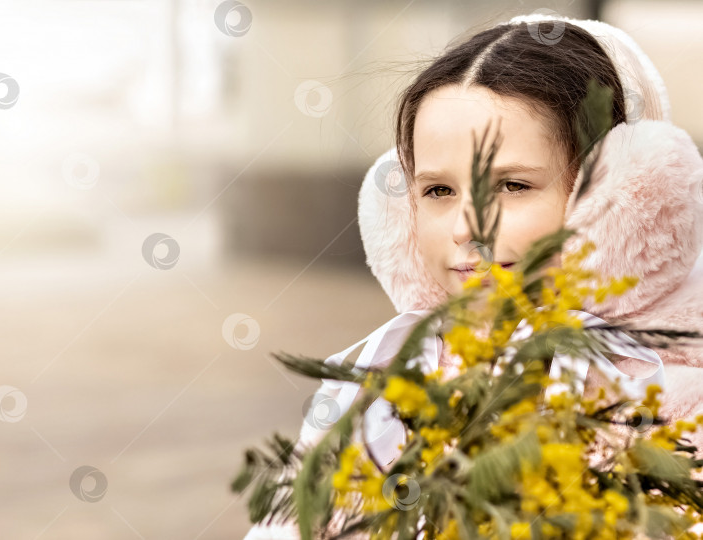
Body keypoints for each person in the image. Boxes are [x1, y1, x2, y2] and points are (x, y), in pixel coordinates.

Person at [244, 11, 703, 539]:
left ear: (617, 196)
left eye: (512, 186)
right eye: (438, 191)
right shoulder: (377, 382)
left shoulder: (664, 396)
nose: (468, 228)